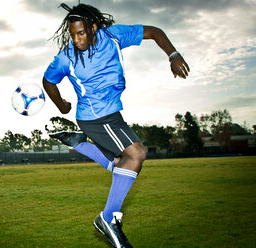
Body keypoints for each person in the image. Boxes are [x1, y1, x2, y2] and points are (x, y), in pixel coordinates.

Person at [43, 3, 189, 248]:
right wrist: (61, 106)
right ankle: (108, 219)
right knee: (137, 154)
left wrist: (173, 55)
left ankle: (80, 145)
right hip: (95, 116)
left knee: (122, 166)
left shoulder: (113, 36)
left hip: (112, 113)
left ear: (94, 27)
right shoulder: (66, 57)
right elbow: (48, 81)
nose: (77, 40)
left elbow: (154, 32)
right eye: (73, 34)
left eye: (81, 33)